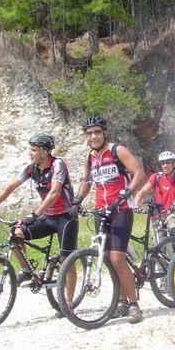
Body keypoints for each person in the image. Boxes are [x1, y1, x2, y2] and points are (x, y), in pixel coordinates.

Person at [0, 134, 79, 314]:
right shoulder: (31, 169)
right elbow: (10, 187)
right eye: (30, 149)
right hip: (48, 217)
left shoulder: (58, 165)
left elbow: (55, 192)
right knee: (16, 234)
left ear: (44, 152)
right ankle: (27, 271)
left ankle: (68, 302)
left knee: (68, 260)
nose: (30, 153)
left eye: (33, 150)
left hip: (66, 217)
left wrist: (35, 214)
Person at [69, 115, 147, 324]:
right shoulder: (90, 157)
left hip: (120, 209)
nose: (93, 136)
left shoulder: (117, 150)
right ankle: (120, 301)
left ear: (105, 133)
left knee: (118, 259)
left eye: (97, 132)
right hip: (100, 211)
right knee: (109, 261)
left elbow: (139, 173)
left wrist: (127, 193)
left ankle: (133, 305)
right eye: (89, 133)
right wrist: (77, 201)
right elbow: (87, 181)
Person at [133, 151, 175, 239]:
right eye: (163, 163)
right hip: (156, 214)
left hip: (170, 213)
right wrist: (136, 204)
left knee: (174, 229)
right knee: (158, 243)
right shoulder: (156, 177)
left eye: (168, 163)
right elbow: (142, 192)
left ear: (174, 164)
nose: (165, 166)